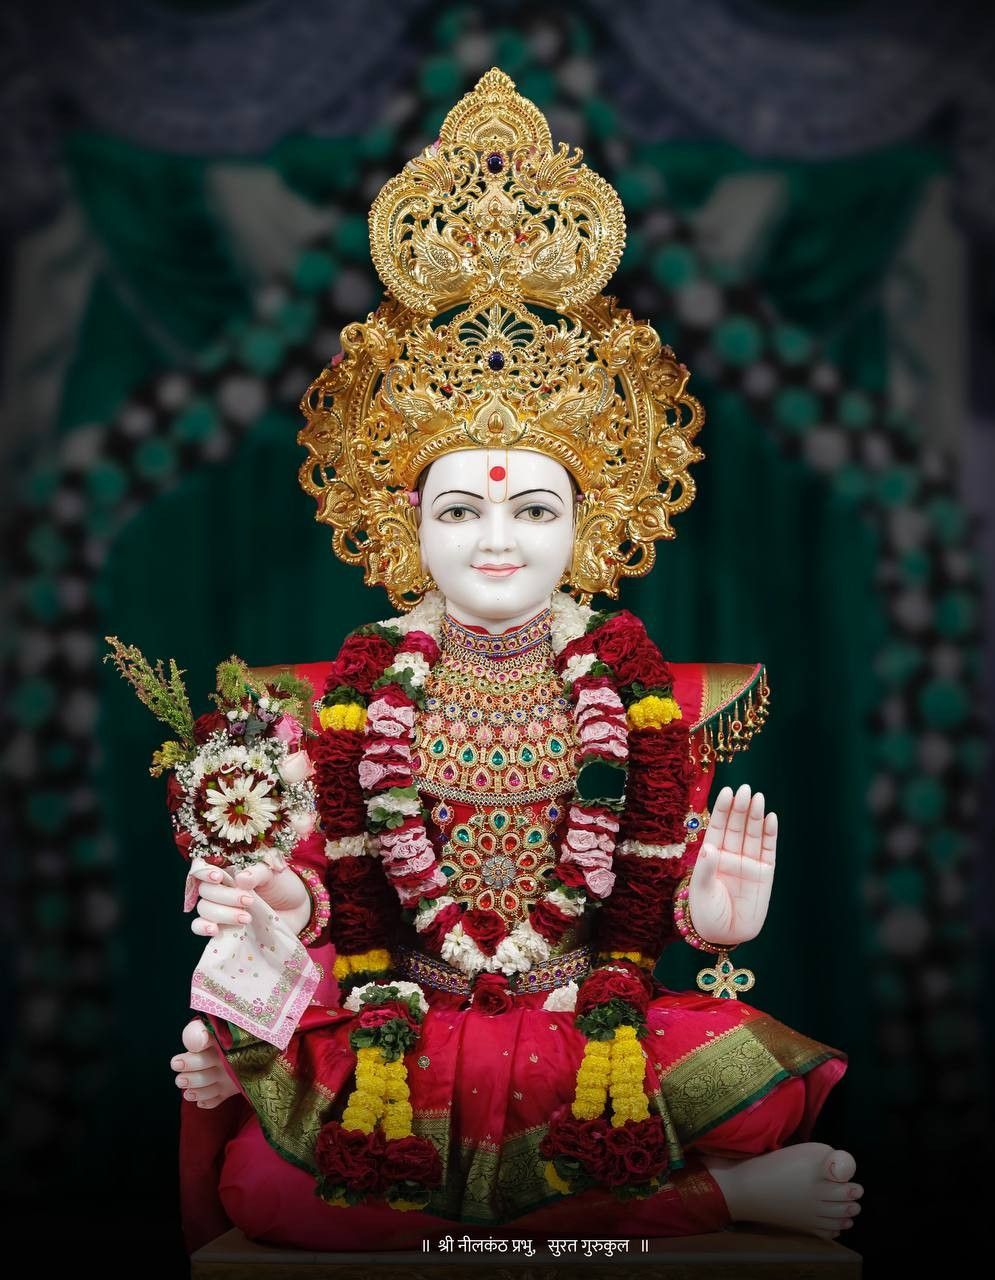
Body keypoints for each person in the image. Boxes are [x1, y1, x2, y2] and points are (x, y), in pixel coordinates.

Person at [167, 70, 862, 1252]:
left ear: (584, 523)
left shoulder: (642, 697)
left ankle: (676, 1181)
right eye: (461, 510)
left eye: (533, 508)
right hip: (403, 1024)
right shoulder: (339, 703)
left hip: (588, 1019)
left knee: (747, 1089)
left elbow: (644, 889)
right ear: (408, 524)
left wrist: (709, 920)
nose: (496, 540)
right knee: (269, 1190)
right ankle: (712, 1201)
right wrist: (279, 900)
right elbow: (322, 893)